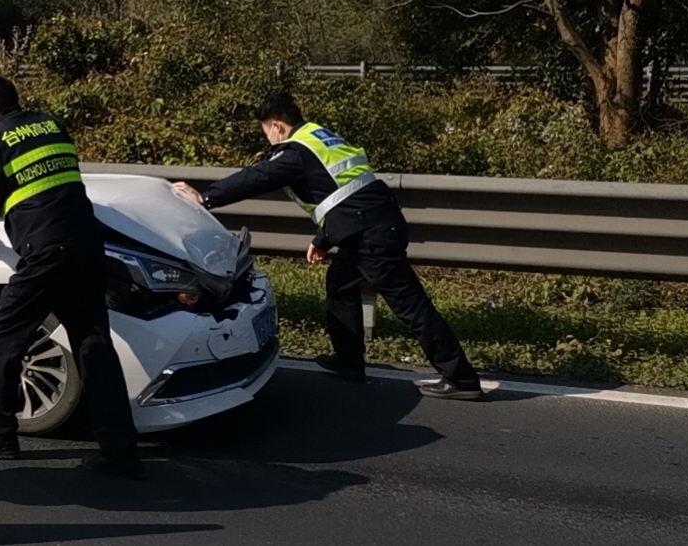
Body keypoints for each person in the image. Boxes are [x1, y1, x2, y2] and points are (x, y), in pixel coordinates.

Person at [173, 92, 482, 400]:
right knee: (340, 283)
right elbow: (340, 188)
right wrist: (323, 239)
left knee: (411, 306)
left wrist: (207, 197)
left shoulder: (295, 151)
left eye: (266, 131)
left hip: (369, 234)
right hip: (372, 223)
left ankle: (461, 379)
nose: (268, 139)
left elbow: (258, 176)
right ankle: (348, 360)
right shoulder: (319, 137)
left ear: (277, 126)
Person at [0, 75, 144, 479]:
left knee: (0, 336)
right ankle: (120, 449)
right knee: (93, 343)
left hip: (46, 252)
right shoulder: (50, 125)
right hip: (86, 243)